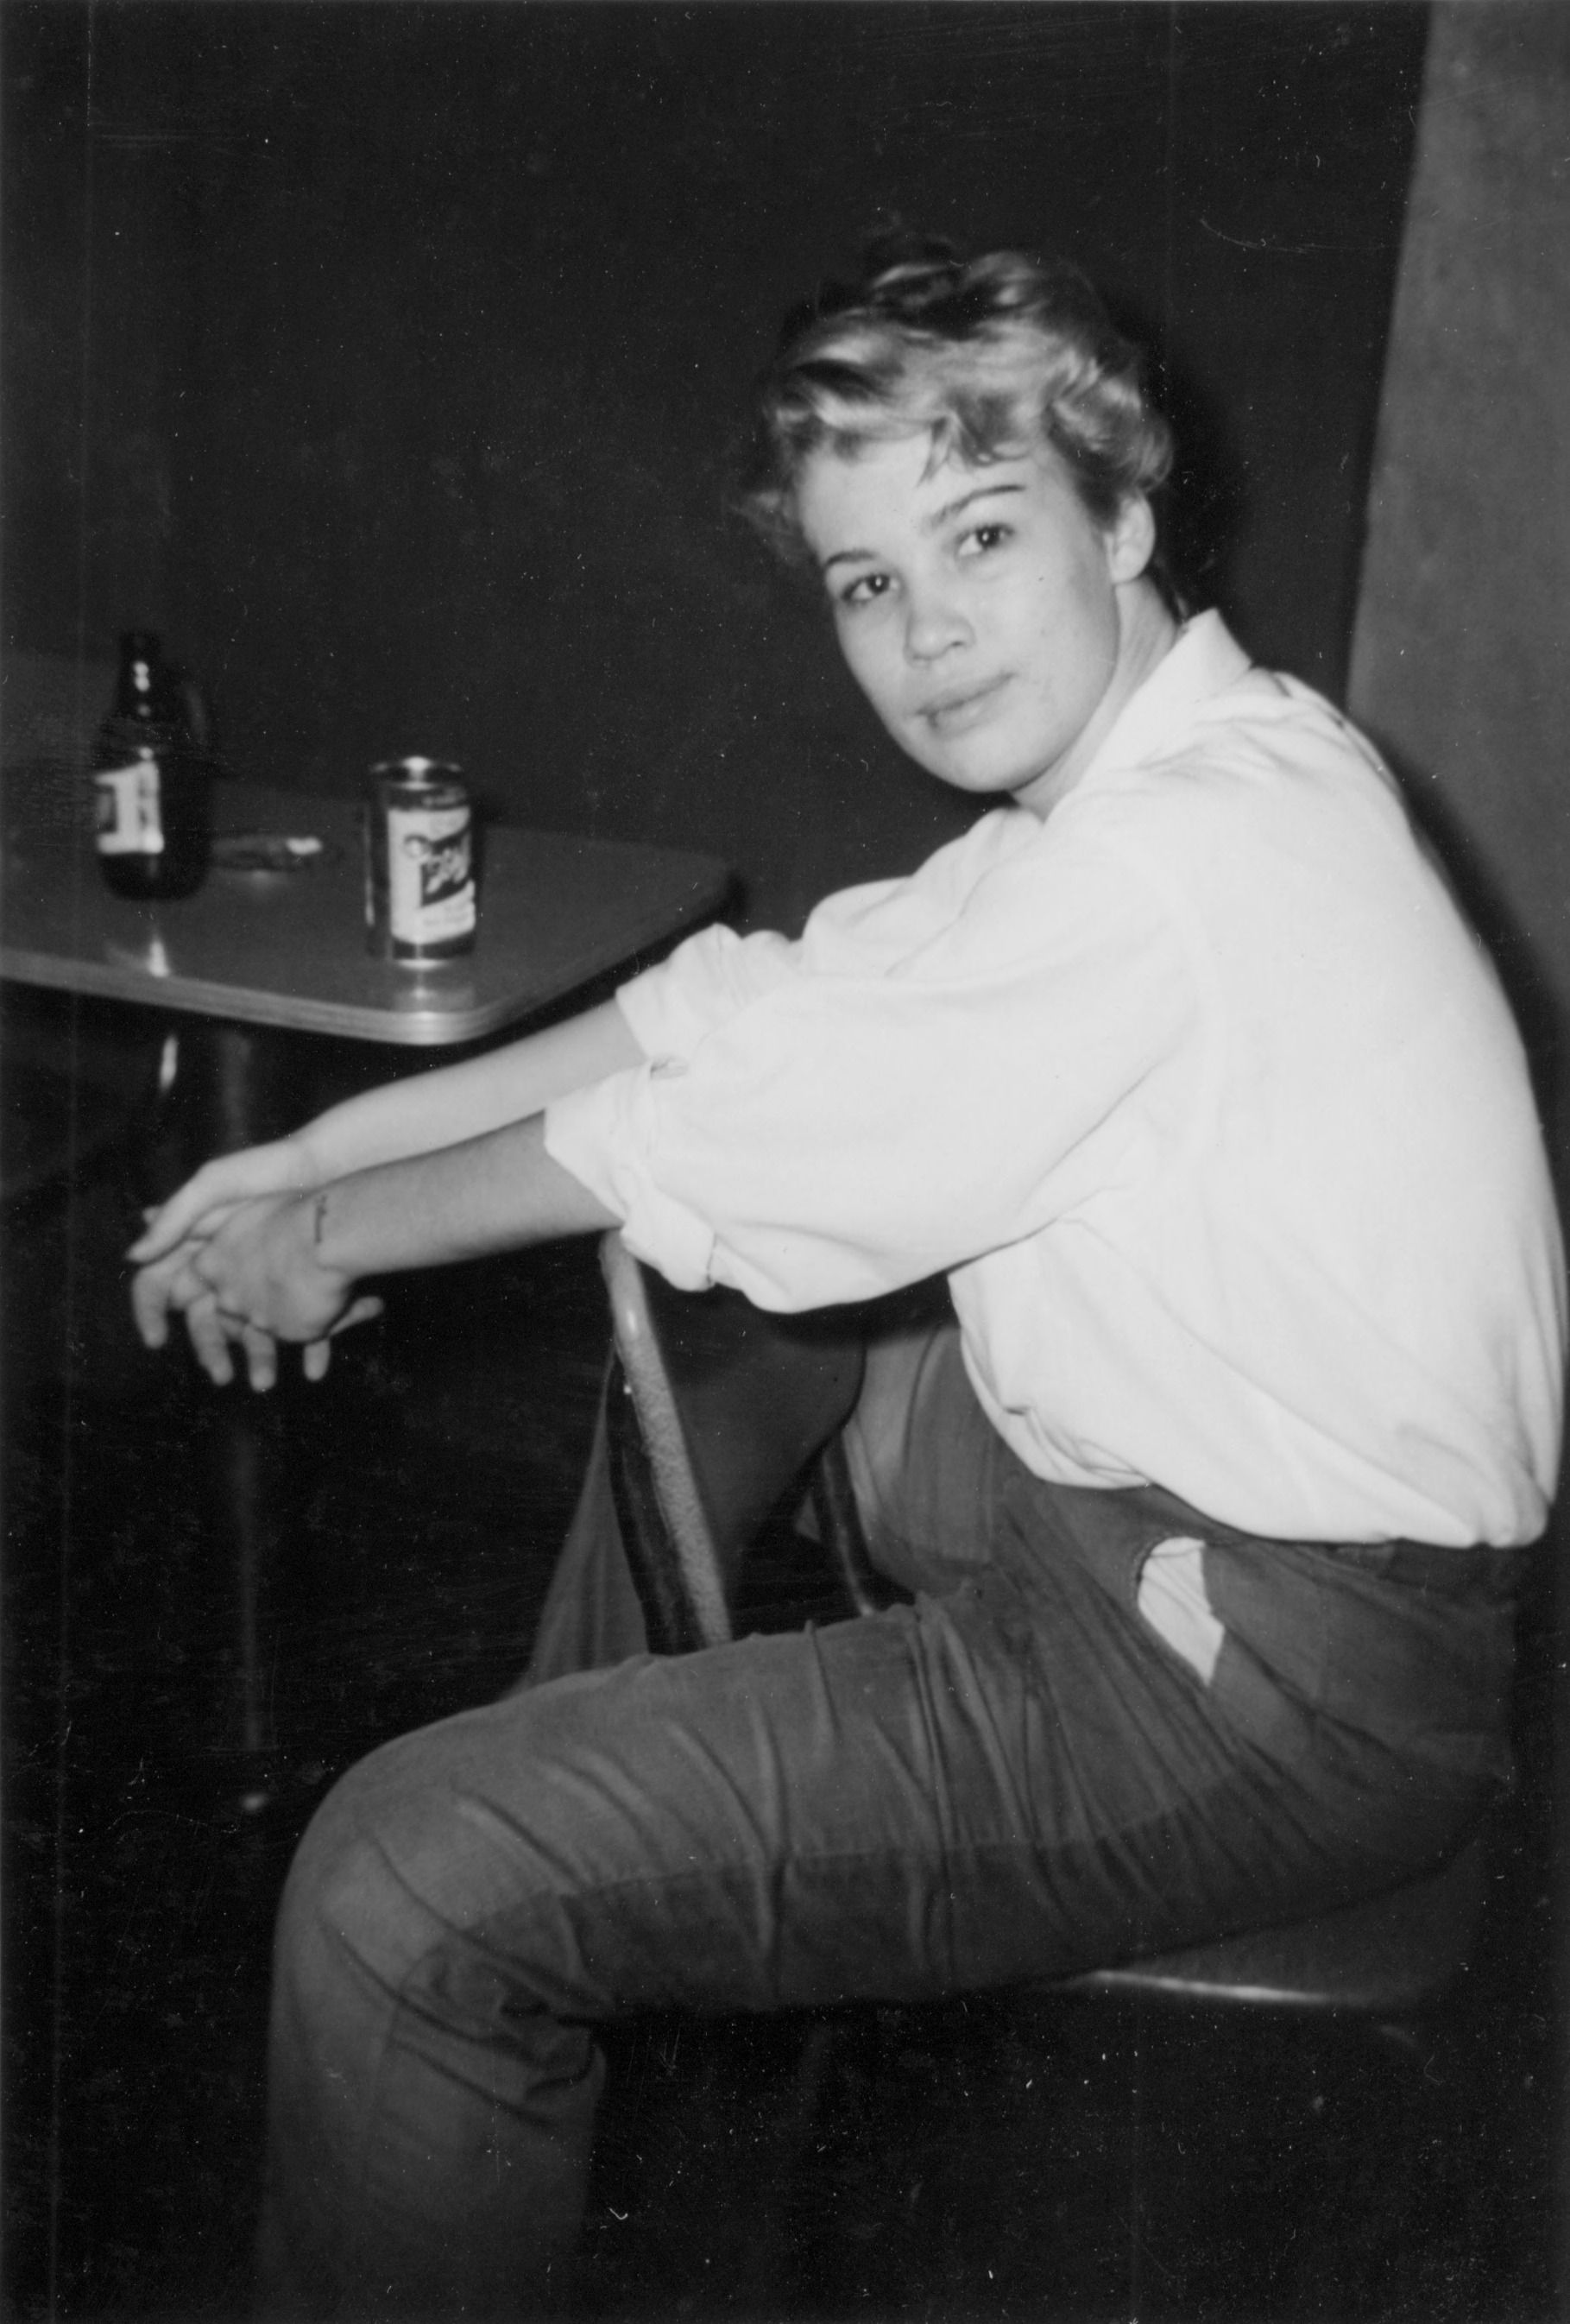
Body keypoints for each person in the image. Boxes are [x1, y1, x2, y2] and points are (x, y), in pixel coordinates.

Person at [129, 239, 1564, 2317]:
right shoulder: (1175, 772)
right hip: (1204, 1537)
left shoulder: (1175, 860)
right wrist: (319, 1145)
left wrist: (325, 1239)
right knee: (735, 1338)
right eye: (866, 580)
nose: (926, 629)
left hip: (1256, 1681)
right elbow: (749, 1004)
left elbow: (708, 1137)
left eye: (981, 532)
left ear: (1127, 510)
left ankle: (510, 1895)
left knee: (396, 1884)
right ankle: (590, 1795)